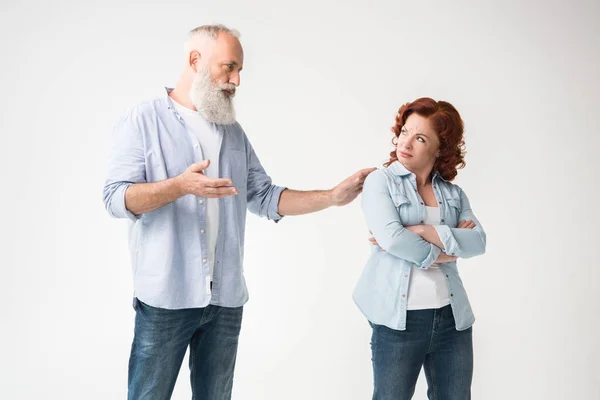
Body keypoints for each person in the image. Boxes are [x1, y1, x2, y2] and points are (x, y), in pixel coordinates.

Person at [103, 24, 375, 400]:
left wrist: (332, 196)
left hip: (224, 301)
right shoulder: (143, 120)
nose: (236, 80)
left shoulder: (231, 132)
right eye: (229, 68)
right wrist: (179, 186)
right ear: (195, 60)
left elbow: (264, 195)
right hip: (166, 298)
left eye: (239, 71)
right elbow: (116, 198)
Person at [353, 97, 486, 399]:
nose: (406, 142)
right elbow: (392, 238)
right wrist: (445, 250)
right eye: (404, 132)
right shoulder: (380, 182)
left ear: (440, 149)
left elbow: (478, 242)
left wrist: (424, 230)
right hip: (399, 321)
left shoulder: (454, 194)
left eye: (420, 137)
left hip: (453, 319)